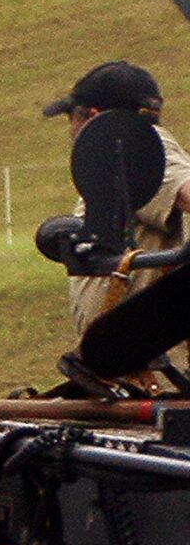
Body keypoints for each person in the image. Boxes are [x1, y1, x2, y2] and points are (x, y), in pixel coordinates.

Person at [46, 62, 190, 352]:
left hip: (152, 378)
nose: (71, 132)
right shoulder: (134, 150)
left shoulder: (130, 147)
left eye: (71, 119)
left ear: (94, 118)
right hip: (132, 373)